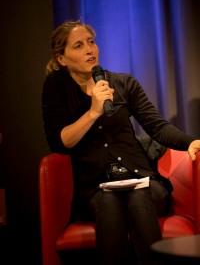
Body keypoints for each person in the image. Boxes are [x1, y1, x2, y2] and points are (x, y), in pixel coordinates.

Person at [41, 19, 200, 265]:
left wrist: (189, 142)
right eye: (79, 45)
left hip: (143, 179)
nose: (89, 50)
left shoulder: (123, 83)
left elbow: (157, 127)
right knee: (109, 202)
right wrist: (93, 112)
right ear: (61, 58)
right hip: (96, 188)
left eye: (91, 42)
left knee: (138, 196)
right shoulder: (56, 87)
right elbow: (60, 142)